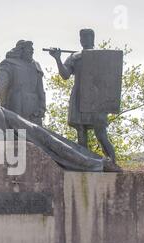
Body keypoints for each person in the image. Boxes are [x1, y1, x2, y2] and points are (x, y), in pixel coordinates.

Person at [0, 105, 122, 173]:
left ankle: (100, 164)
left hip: (33, 133)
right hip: (27, 139)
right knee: (61, 158)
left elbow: (2, 135)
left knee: (63, 150)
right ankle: (97, 163)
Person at [49, 29, 117, 163]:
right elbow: (65, 75)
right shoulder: (75, 57)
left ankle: (112, 161)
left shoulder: (101, 57)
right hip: (79, 97)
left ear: (93, 38)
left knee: (101, 133)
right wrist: (58, 59)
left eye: (87, 37)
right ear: (80, 40)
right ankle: (83, 161)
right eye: (82, 37)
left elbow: (110, 77)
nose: (84, 40)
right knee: (80, 129)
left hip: (97, 99)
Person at [0, 40, 46, 126]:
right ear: (21, 50)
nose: (32, 51)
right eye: (29, 49)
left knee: (15, 135)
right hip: (20, 107)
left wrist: (3, 105)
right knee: (33, 135)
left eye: (32, 49)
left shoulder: (35, 66)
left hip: (26, 109)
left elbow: (41, 90)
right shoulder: (9, 64)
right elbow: (2, 86)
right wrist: (42, 108)